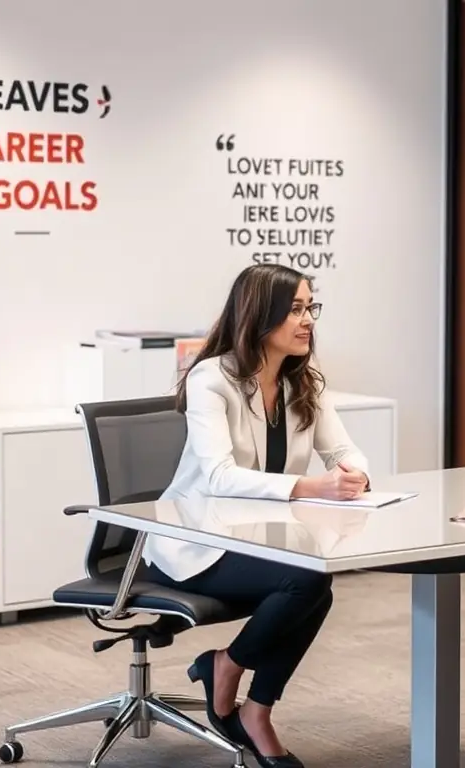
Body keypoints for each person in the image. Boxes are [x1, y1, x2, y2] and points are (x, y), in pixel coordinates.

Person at [142, 264, 371, 768]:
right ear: (258, 315)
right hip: (194, 542)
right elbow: (221, 476)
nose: (308, 320)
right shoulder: (212, 379)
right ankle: (227, 670)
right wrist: (313, 486)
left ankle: (255, 705)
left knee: (317, 582)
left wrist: (356, 475)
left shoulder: (303, 381)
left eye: (311, 307)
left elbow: (345, 451)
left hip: (257, 539)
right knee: (307, 581)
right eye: (294, 309)